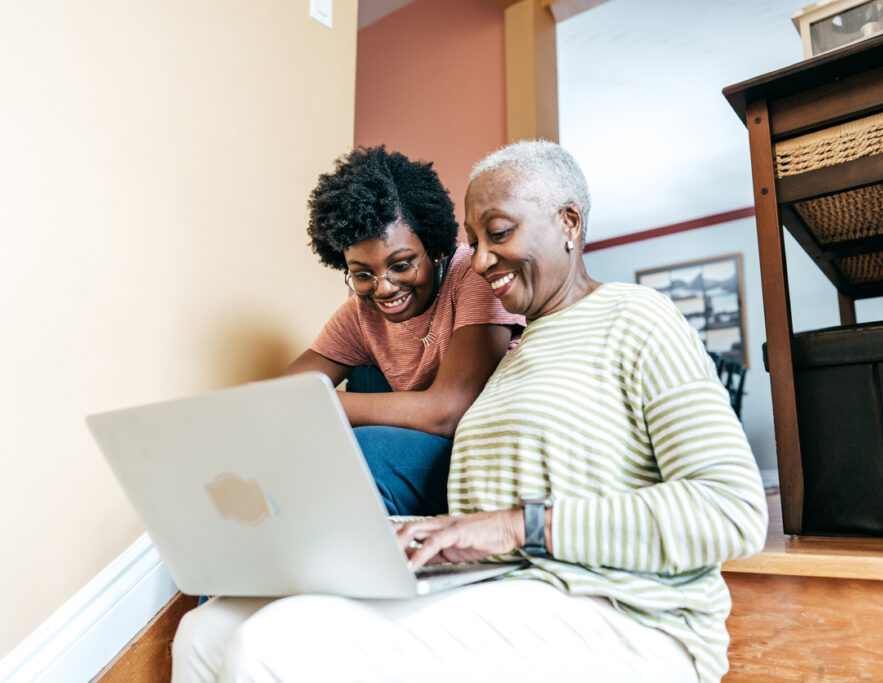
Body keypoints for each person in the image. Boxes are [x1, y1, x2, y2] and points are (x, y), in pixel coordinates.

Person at [171, 141, 768, 683]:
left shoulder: (638, 317)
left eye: (499, 233)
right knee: (209, 629)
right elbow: (475, 514)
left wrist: (516, 525)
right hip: (501, 587)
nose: (479, 262)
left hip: (623, 610)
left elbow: (732, 510)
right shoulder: (510, 360)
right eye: (473, 241)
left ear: (569, 222)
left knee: (272, 645)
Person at [281, 146, 524, 516]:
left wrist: (320, 404)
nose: (384, 288)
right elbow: (278, 398)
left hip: (478, 449)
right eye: (363, 274)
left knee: (357, 453)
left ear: (436, 249)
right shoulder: (360, 314)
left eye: (402, 264)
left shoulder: (473, 278)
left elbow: (447, 412)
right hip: (423, 441)